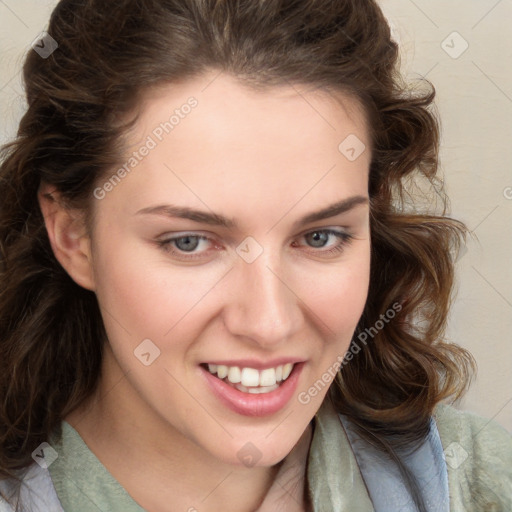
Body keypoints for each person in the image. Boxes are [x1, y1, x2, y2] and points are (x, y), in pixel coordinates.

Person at [0, 0, 511, 511]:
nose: (269, 323)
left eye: (320, 237)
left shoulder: (482, 484)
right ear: (73, 236)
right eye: (190, 242)